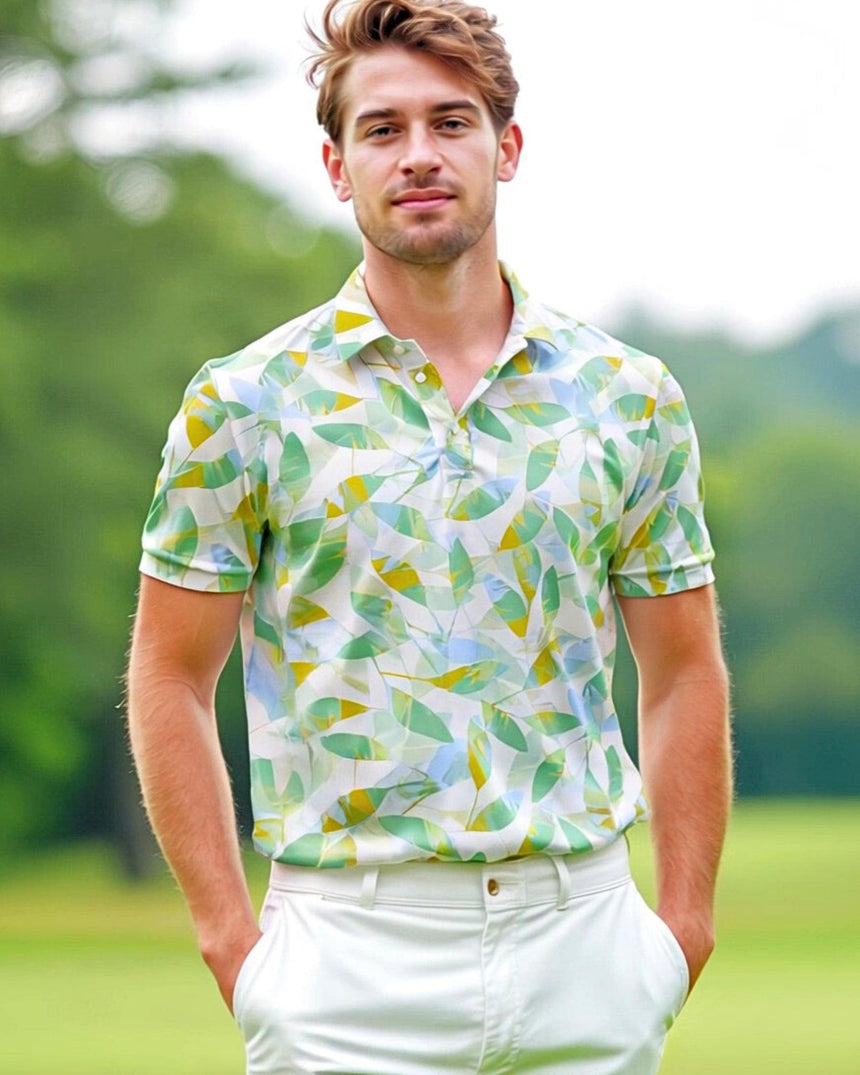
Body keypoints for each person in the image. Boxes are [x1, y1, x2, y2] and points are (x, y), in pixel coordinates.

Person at [126, 1, 732, 1072]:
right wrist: (233, 945)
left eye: (450, 123)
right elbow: (170, 675)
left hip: (582, 946)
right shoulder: (245, 403)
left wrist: (680, 929)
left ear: (504, 147)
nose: (418, 155)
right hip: (343, 959)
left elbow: (681, 670)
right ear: (334, 163)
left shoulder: (623, 398)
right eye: (382, 128)